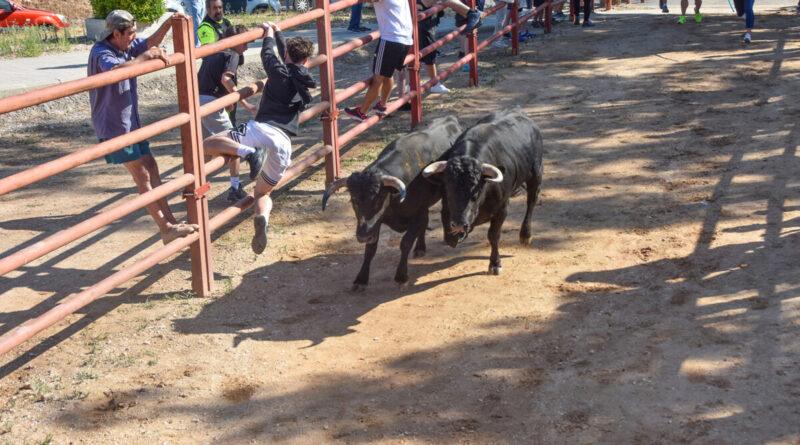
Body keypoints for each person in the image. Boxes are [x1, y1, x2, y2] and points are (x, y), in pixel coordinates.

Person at [204, 22, 316, 254]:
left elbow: (268, 53)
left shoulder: (278, 72)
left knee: (208, 143)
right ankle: (262, 217)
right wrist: (279, 33)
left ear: (286, 55)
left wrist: (269, 34)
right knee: (263, 192)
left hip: (261, 130)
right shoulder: (304, 80)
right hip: (284, 142)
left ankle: (247, 152)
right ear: (306, 60)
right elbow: (287, 57)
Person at [88, 10, 199, 244]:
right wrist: (145, 57)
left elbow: (149, 43)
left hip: (130, 123)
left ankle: (171, 223)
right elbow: (117, 72)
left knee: (151, 166)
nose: (132, 38)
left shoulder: (124, 46)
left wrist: (168, 23)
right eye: (129, 34)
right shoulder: (102, 53)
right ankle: (165, 227)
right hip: (115, 127)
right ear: (115, 33)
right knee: (143, 175)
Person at [197, 25, 261, 203]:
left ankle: (198, 186)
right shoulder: (231, 54)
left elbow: (203, 77)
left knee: (205, 147)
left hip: (198, 101)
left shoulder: (215, 50)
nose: (247, 48)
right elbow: (226, 78)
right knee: (233, 140)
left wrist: (227, 101)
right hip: (210, 102)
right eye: (246, 43)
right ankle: (235, 186)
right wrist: (245, 102)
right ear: (237, 41)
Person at [343, 0, 414, 121]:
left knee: (378, 78)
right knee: (388, 74)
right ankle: (382, 105)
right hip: (406, 38)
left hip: (391, 39)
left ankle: (362, 111)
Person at [415, 0, 450, 93]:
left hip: (427, 25)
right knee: (429, 55)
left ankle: (415, 84)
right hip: (423, 27)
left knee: (426, 55)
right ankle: (434, 83)